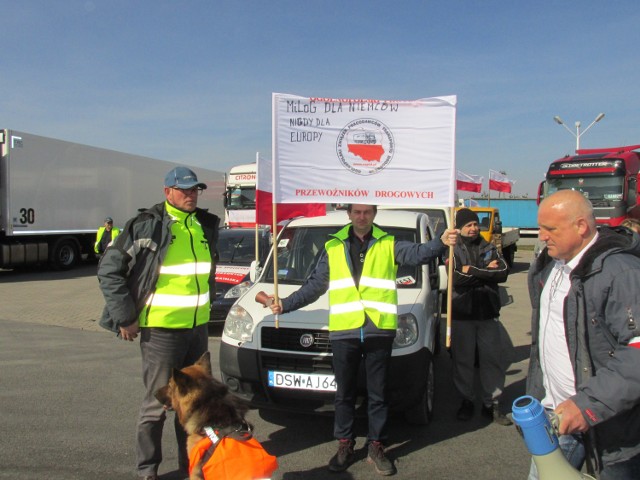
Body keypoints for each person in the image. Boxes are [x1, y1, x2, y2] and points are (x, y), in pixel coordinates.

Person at [267, 204, 458, 476]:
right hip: (344, 331)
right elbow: (315, 286)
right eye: (356, 212)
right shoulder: (333, 246)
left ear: (374, 214)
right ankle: (345, 444)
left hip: (378, 329)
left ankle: (376, 445)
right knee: (343, 393)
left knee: (377, 394)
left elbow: (418, 254)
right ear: (349, 215)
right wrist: (285, 304)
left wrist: (441, 242)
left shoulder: (388, 243)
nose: (361, 216)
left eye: (367, 212)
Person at [97, 166, 220, 480]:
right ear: (168, 192)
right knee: (158, 406)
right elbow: (109, 271)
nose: (191, 195)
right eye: (185, 190)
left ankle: (191, 466)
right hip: (162, 331)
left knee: (195, 404)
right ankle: (148, 470)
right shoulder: (146, 226)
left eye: (195, 190)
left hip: (197, 330)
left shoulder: (204, 225)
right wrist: (125, 317)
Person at [527, 189, 640, 479]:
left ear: (581, 226)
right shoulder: (550, 265)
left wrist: (586, 406)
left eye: (549, 229)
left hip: (608, 428)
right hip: (557, 418)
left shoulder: (620, 272)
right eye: (540, 228)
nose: (541, 236)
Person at [450, 208, 512, 425]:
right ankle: (466, 400)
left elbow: (502, 272)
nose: (474, 228)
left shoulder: (489, 247)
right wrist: (486, 272)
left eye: (475, 224)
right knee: (463, 361)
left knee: (492, 361)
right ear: (459, 228)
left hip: (488, 314)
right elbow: (456, 279)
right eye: (469, 225)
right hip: (462, 314)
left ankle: (491, 404)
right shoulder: (452, 249)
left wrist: (472, 270)